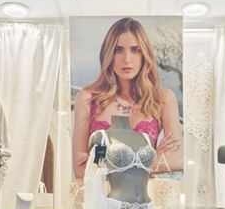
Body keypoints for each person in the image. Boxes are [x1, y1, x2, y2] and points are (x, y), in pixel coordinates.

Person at [73, 17, 182, 178]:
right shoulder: (88, 99)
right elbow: (81, 171)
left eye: (135, 50)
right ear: (108, 53)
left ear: (144, 54)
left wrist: (103, 163)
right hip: (102, 193)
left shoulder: (163, 99)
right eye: (118, 50)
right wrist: (151, 159)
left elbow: (176, 159)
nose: (127, 59)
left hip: (144, 192)